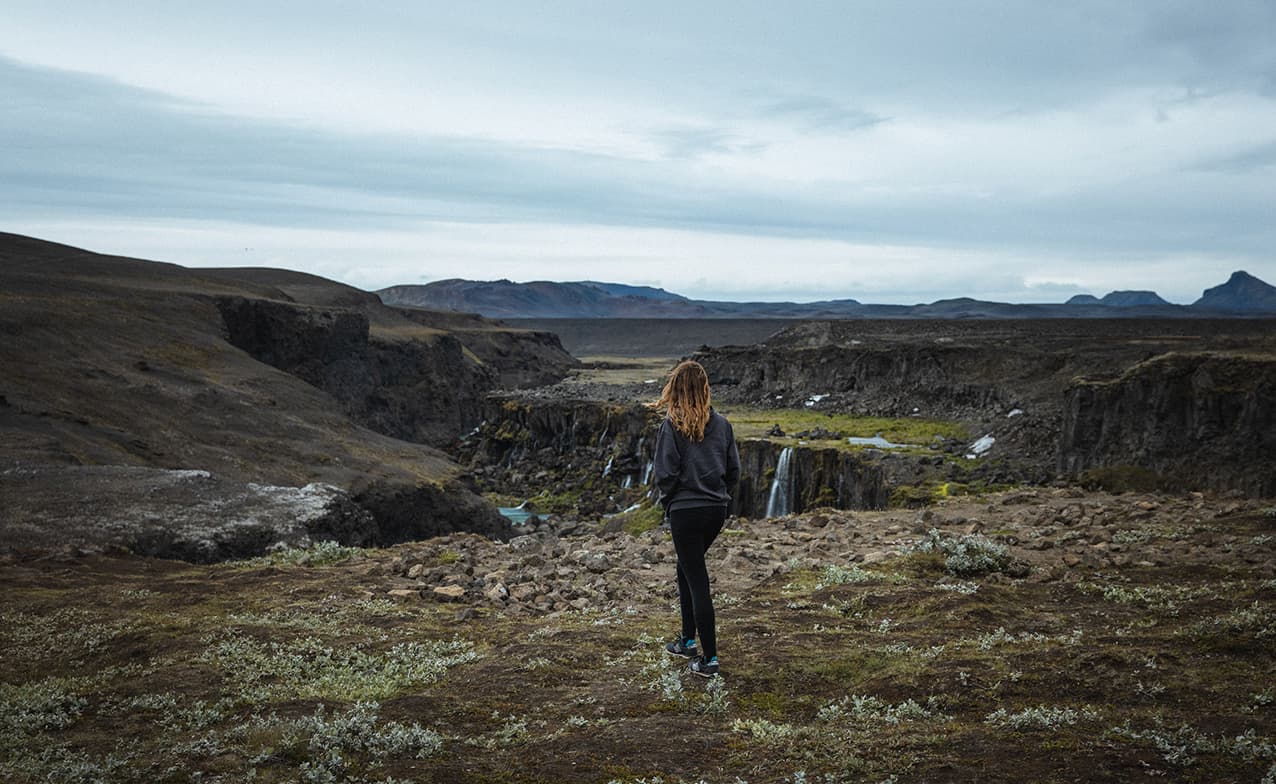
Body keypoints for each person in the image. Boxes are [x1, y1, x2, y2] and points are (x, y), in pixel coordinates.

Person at [650, 360, 740, 678]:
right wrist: (717, 496)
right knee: (686, 569)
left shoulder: (671, 425)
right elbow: (734, 473)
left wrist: (672, 501)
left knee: (697, 579)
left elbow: (665, 474)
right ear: (704, 389)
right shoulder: (723, 425)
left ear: (676, 389)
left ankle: (709, 659)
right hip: (715, 511)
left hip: (685, 512)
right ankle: (687, 641)